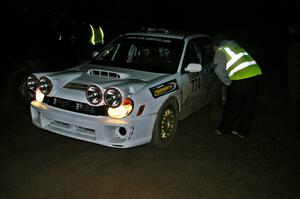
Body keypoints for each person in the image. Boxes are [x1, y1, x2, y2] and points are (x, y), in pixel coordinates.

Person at [212, 33, 262, 138]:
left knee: (231, 106)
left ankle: (224, 130)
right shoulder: (235, 46)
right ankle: (243, 132)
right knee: (248, 106)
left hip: (242, 79)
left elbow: (218, 70)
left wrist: (228, 83)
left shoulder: (221, 50)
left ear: (215, 45)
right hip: (256, 75)